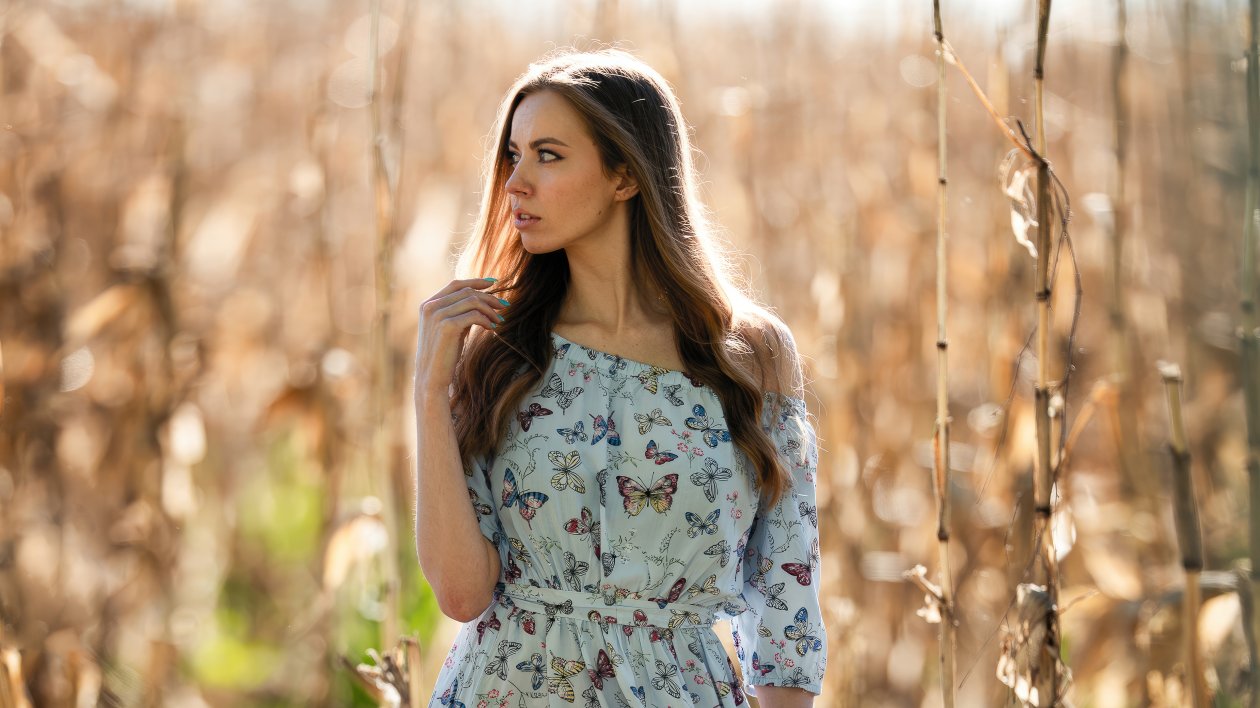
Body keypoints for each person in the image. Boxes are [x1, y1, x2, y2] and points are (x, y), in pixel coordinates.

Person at [412, 49, 826, 708]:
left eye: (548, 155)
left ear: (626, 175)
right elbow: (463, 594)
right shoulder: (497, 353)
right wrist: (430, 396)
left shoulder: (747, 355)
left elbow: (787, 605)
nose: (517, 183)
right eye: (512, 156)